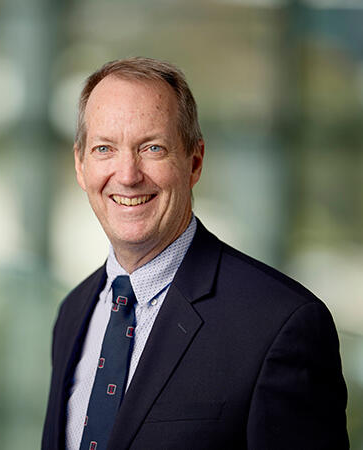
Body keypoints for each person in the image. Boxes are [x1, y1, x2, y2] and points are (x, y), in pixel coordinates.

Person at [42, 57, 348, 450]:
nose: (128, 174)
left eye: (152, 148)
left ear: (194, 162)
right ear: (81, 166)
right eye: (105, 149)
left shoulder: (280, 326)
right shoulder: (73, 312)